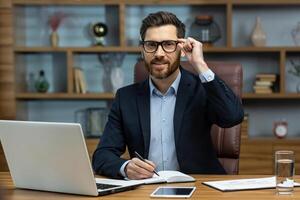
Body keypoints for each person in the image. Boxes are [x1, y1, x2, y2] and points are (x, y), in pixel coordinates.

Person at [92, 11, 244, 180]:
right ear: (142, 50)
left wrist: (200, 65)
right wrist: (126, 167)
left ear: (182, 48)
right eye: (151, 45)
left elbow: (233, 116)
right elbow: (102, 156)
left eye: (168, 44)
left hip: (200, 188)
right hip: (147, 189)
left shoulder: (202, 88)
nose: (159, 53)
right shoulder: (125, 98)